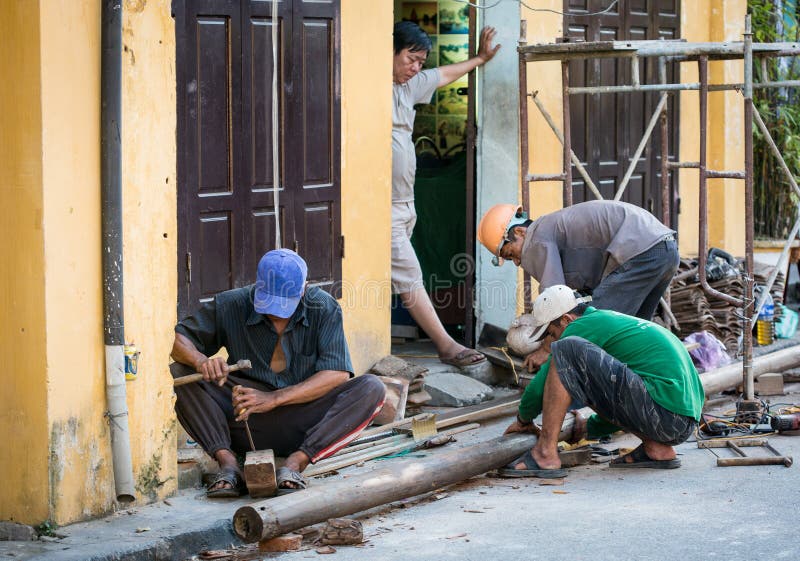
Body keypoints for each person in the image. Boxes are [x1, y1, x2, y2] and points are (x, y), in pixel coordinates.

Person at [170, 249, 386, 497]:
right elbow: (178, 341)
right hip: (245, 418)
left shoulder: (324, 307)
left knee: (372, 388)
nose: (276, 312)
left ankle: (295, 464)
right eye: (269, 301)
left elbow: (337, 374)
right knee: (181, 373)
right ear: (257, 285)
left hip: (304, 421)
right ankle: (228, 465)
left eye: (285, 303)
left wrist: (274, 399)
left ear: (304, 288)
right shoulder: (232, 303)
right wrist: (201, 362)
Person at [500, 285, 704, 478]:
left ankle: (545, 452)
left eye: (552, 334)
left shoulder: (580, 326)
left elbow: (539, 386)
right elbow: (618, 394)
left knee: (566, 349)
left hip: (664, 414)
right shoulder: (609, 322)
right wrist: (589, 429)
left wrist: (523, 420)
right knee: (576, 354)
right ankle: (656, 448)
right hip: (681, 422)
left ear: (566, 320)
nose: (552, 340)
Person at [392, 20, 499, 367]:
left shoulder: (408, 87)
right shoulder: (368, 84)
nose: (416, 67)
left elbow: (444, 74)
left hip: (406, 204)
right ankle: (446, 344)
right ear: (389, 52)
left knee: (395, 276)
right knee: (410, 275)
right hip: (384, 208)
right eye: (411, 58)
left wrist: (480, 59)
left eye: (420, 61)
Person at [477, 199, 679, 369]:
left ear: (520, 232)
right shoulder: (550, 228)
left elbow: (554, 299)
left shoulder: (536, 238)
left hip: (642, 253)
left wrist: (546, 349)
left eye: (511, 254)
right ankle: (649, 380)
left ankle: (579, 396)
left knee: (592, 325)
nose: (518, 262)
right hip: (664, 249)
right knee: (634, 329)